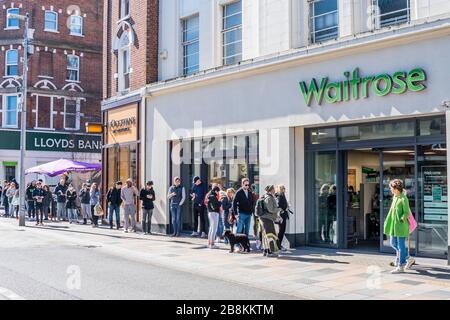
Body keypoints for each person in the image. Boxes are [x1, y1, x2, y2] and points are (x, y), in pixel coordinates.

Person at [384, 179, 410, 274]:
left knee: (401, 246)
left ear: (396, 188)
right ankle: (408, 258)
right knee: (393, 243)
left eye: (391, 188)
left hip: (401, 225)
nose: (390, 189)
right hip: (393, 225)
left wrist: (402, 219)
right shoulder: (395, 197)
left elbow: (407, 212)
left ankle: (401, 266)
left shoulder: (404, 198)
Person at [259, 185, 280, 257]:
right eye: (274, 189)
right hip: (267, 219)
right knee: (270, 235)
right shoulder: (269, 198)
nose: (275, 190)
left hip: (265, 218)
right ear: (271, 190)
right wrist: (279, 209)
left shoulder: (266, 196)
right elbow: (271, 209)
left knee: (266, 235)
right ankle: (270, 251)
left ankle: (266, 251)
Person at [276, 185, 290, 251]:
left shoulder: (282, 195)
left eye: (284, 188)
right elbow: (279, 205)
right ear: (280, 189)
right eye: (282, 188)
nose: (284, 189)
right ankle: (278, 245)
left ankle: (279, 245)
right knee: (281, 231)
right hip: (281, 216)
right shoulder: (280, 196)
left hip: (283, 215)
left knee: (282, 231)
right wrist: (285, 208)